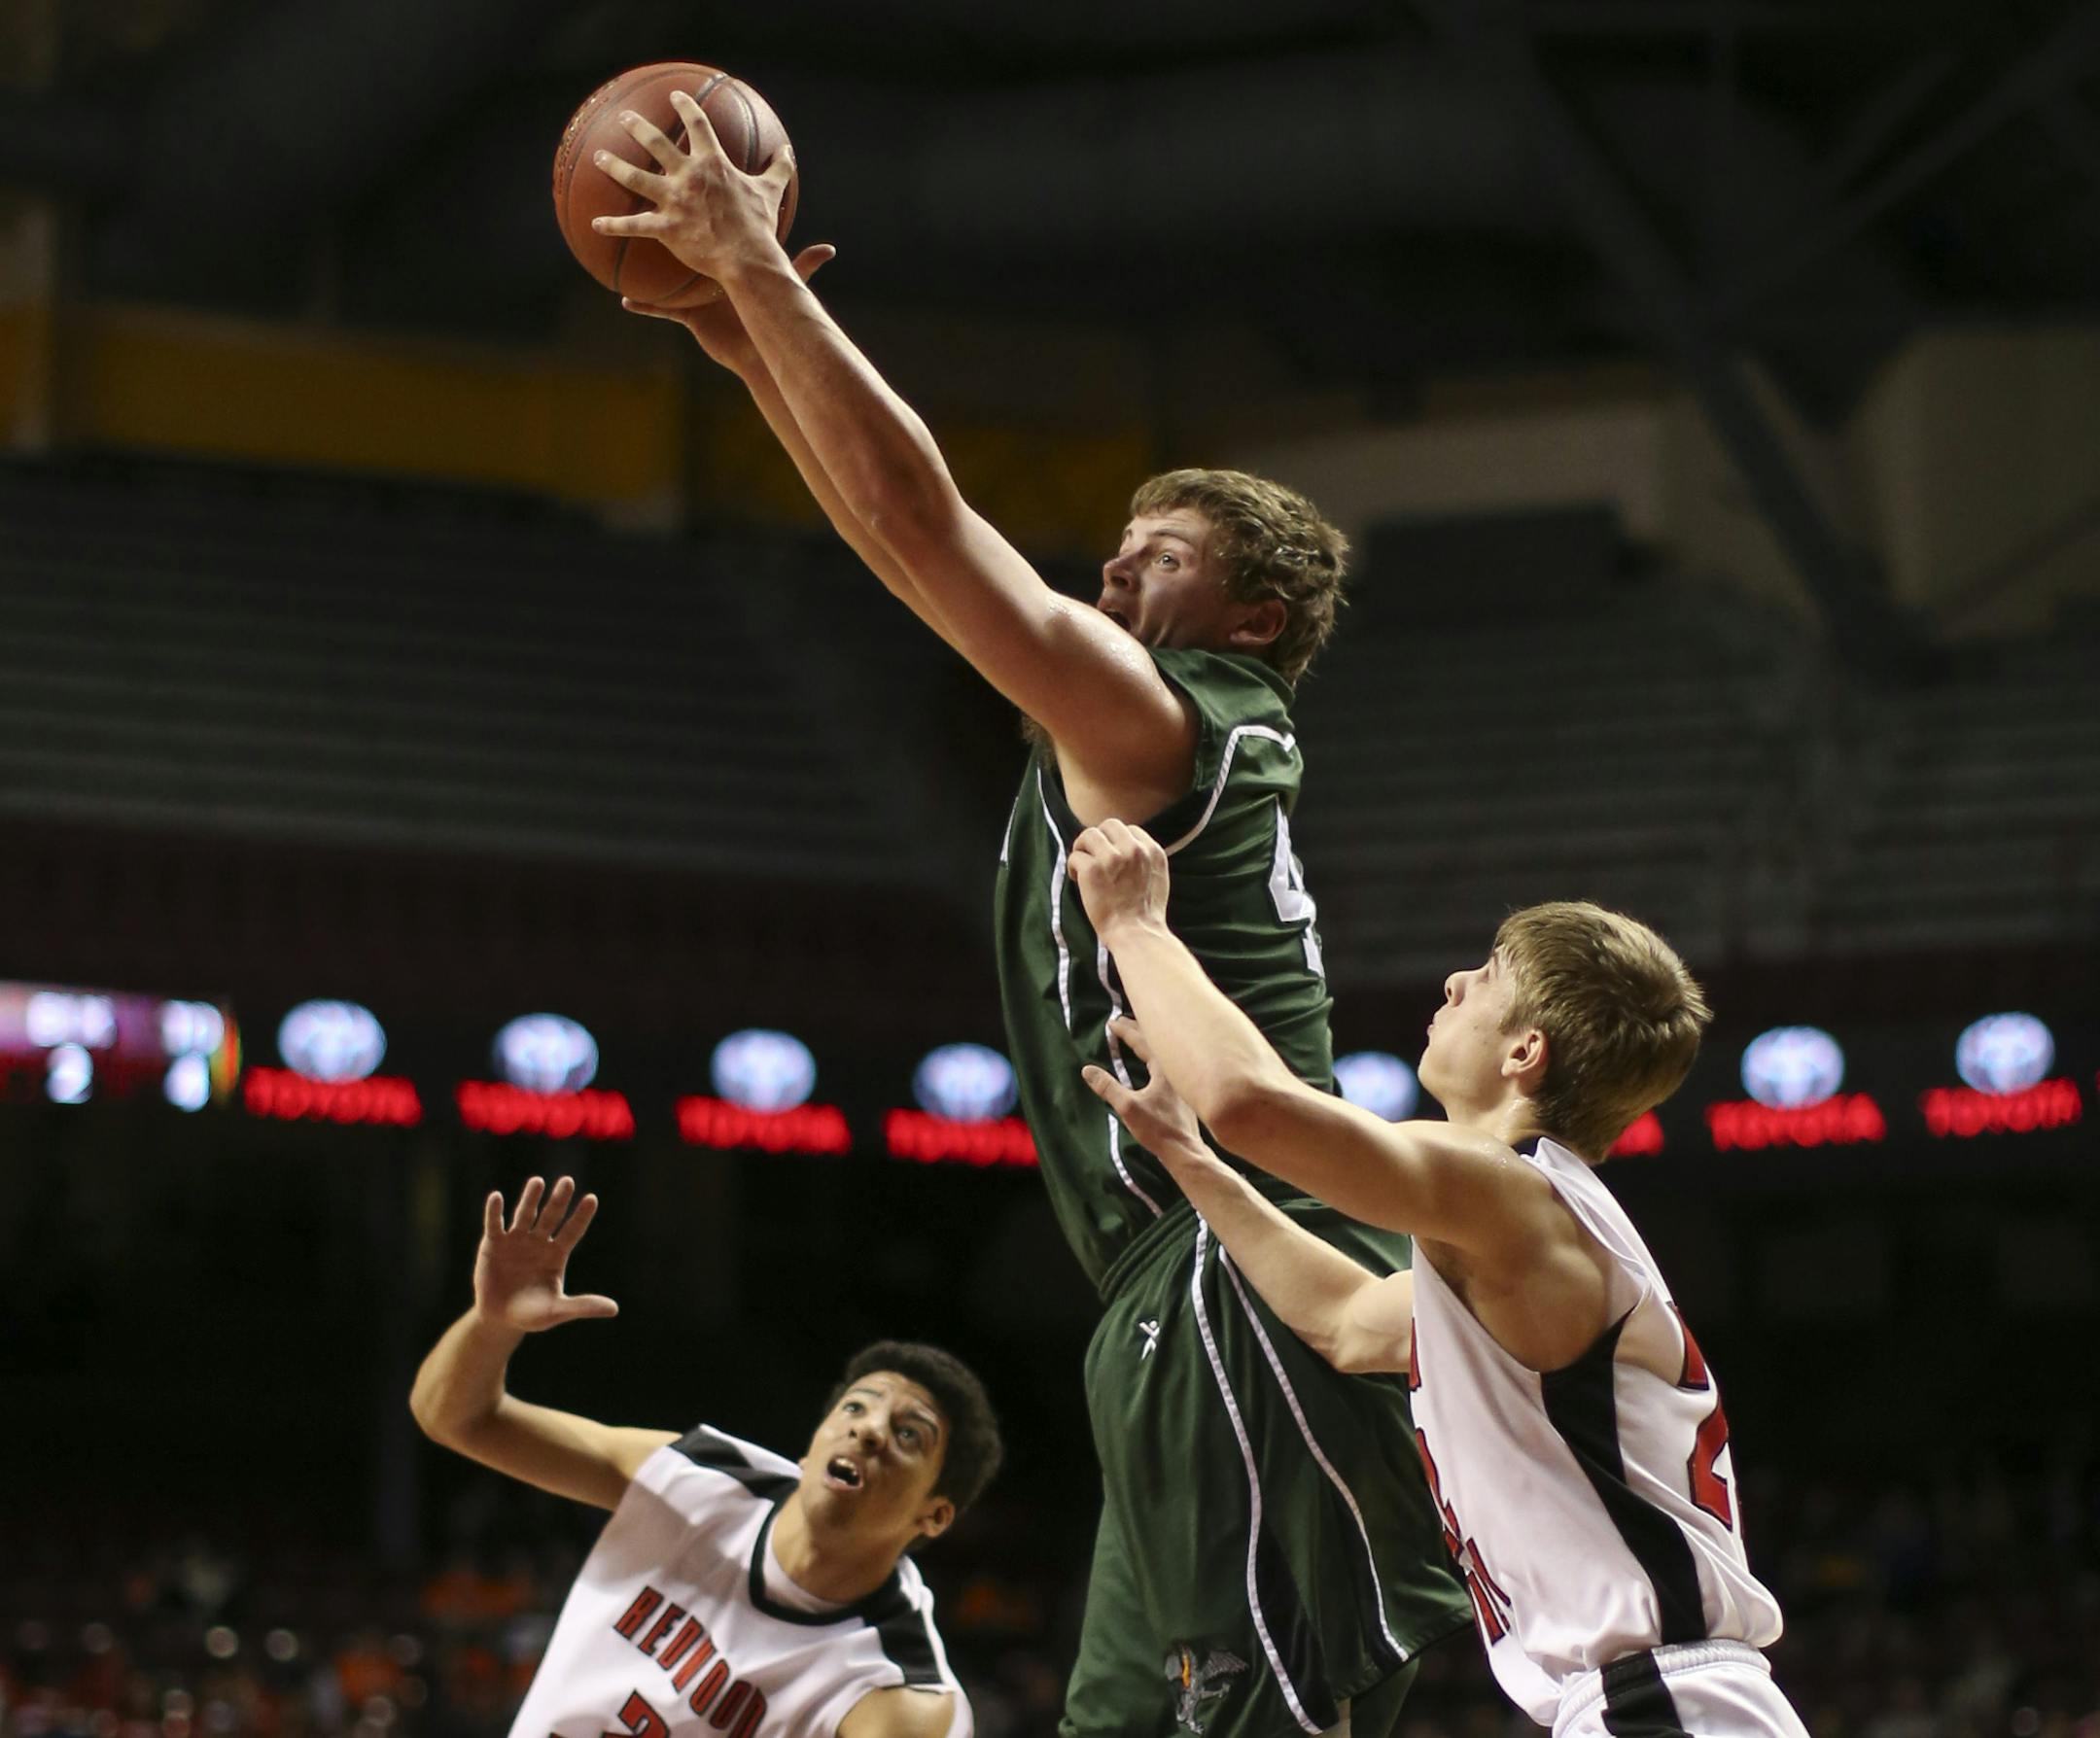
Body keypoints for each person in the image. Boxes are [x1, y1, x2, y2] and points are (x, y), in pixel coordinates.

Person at [589, 96, 1470, 1738]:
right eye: (1118, 548)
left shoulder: (1187, 717)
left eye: (1166, 555)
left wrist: (769, 287)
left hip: (1241, 1251)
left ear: (1253, 617)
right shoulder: (1120, 723)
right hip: (1162, 1263)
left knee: (1256, 1712)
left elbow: (932, 531)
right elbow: (894, 542)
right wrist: (736, 331)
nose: (1119, 569)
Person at [1067, 818, 1811, 1738]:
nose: (1454, 982)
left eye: (1486, 976)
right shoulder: (1516, 1247)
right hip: (1651, 1703)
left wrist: (1136, 928)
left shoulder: (1515, 1195)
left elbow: (1252, 1104)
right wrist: (1191, 1160)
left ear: (1524, 1052)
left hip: (1666, 1705)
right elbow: (1339, 1319)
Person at [409, 1176, 1001, 1738]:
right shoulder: (699, 1477)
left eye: (908, 1437)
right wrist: (490, 1326)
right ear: (817, 1435)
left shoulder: (894, 1688)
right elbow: (457, 1418)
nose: (869, 1431)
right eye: (856, 1407)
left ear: (935, 1514)